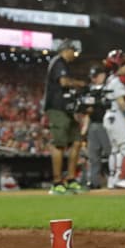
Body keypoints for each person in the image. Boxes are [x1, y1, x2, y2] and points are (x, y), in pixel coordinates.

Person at [42, 39, 85, 194]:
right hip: (57, 108)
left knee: (77, 142)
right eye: (72, 51)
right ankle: (57, 182)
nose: (74, 54)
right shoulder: (58, 62)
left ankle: (71, 179)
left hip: (67, 109)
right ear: (65, 50)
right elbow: (64, 82)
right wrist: (79, 83)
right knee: (59, 144)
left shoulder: (64, 64)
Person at [101, 50, 125, 190]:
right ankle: (120, 178)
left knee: (115, 150)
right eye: (124, 64)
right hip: (117, 116)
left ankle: (112, 179)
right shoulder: (116, 82)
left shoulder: (109, 80)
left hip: (109, 116)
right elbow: (121, 101)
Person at [76, 65, 113, 189]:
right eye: (93, 76)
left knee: (111, 153)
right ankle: (94, 181)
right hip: (93, 124)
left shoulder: (109, 89)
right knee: (93, 156)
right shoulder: (89, 90)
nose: (94, 78)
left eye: (96, 75)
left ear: (102, 75)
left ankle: (115, 179)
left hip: (107, 125)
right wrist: (85, 127)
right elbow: (83, 108)